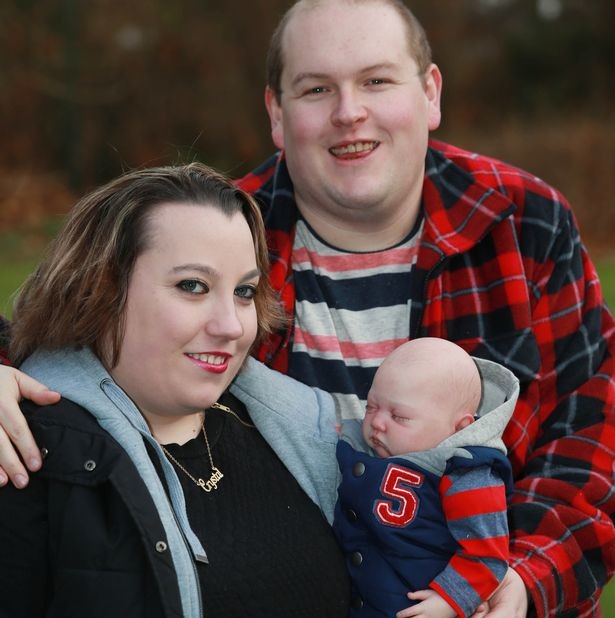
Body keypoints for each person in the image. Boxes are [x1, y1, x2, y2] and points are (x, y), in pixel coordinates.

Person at [0, 0, 614, 615]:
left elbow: (592, 428)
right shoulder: (224, 235)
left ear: (430, 93)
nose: (349, 113)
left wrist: (520, 580)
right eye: (317, 88)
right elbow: (81, 316)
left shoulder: (521, 224)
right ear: (276, 112)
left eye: (376, 80)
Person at [0, 163, 351, 617]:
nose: (231, 326)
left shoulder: (301, 430)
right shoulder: (26, 453)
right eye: (193, 286)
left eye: (245, 292)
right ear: (100, 289)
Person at [233, 336, 519, 617]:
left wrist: (450, 600)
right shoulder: (361, 445)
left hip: (418, 603)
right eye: (371, 406)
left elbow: (487, 554)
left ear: (458, 428)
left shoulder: (468, 475)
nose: (377, 422)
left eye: (399, 417)